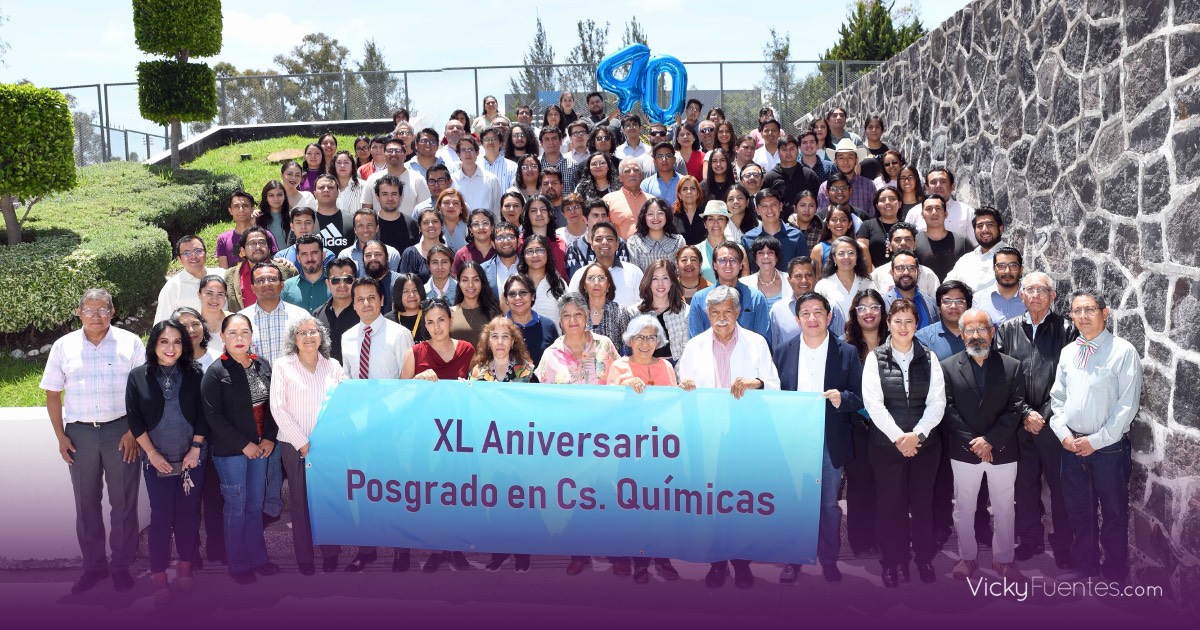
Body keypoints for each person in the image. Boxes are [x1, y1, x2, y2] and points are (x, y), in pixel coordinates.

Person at [42, 289, 145, 595]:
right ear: (79, 312)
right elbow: (52, 394)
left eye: (103, 310)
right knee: (86, 504)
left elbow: (143, 391)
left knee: (123, 503)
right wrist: (61, 437)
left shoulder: (131, 343)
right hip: (80, 435)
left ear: (113, 312)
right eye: (89, 310)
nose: (96, 316)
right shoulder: (64, 346)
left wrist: (133, 432)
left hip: (122, 433)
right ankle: (94, 567)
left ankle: (121, 567)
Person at [1050, 290, 1143, 584]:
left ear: (1106, 312)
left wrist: (1097, 441)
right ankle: (1085, 566)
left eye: (1090, 309)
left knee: (1114, 513)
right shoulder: (1069, 352)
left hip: (1108, 450)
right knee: (1080, 512)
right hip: (1071, 446)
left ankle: (1115, 571)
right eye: (1077, 311)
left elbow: (1127, 405)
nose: (1083, 316)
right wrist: (1063, 434)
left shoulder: (1122, 351)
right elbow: (1058, 398)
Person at [773, 292, 864, 585]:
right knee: (795, 502)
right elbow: (774, 398)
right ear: (798, 319)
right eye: (806, 313)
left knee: (828, 504)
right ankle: (793, 558)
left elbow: (860, 397)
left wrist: (843, 398)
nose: (812, 318)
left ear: (829, 316)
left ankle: (829, 559)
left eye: (818, 312)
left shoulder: (847, 352)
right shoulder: (783, 351)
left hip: (830, 437)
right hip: (794, 439)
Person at [861, 299, 947, 587]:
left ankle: (923, 559)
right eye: (897, 321)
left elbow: (937, 403)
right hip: (887, 447)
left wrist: (917, 436)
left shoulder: (930, 358)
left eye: (908, 321)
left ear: (916, 324)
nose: (903, 327)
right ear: (888, 323)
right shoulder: (875, 359)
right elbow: (874, 405)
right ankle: (892, 562)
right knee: (890, 506)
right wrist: (900, 438)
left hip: (925, 447)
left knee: (923, 505)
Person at [940, 309, 1028, 582]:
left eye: (981, 329)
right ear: (961, 334)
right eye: (969, 330)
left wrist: (990, 440)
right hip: (964, 451)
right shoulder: (947, 367)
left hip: (1002, 449)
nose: (975, 335)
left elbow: (1016, 408)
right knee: (964, 507)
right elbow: (947, 409)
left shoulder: (1012, 366)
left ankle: (1004, 560)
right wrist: (974, 442)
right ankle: (968, 558)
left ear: (992, 333)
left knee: (1005, 507)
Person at [996, 273, 1076, 567]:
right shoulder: (1006, 330)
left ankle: (1064, 545)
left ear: (1053, 295)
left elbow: (1070, 380)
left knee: (1061, 486)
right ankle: (1030, 540)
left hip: (1055, 424)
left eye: (1043, 290)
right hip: (1019, 424)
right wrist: (1024, 412)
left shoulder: (1067, 331)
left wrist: (1043, 415)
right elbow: (1001, 377)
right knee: (1024, 485)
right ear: (1021, 296)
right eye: (1030, 289)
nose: (1036, 295)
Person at [338, 277, 415, 572]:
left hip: (393, 425)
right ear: (353, 303)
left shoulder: (399, 334)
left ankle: (401, 550)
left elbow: (408, 382)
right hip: (360, 426)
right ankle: (366, 549)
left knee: (395, 488)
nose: (366, 304)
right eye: (360, 299)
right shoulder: (347, 337)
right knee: (363, 488)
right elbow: (345, 378)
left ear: (382, 301)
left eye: (371, 297)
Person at [200, 313, 279, 585]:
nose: (239, 338)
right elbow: (213, 416)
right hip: (232, 452)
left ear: (251, 335)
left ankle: (259, 559)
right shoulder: (216, 372)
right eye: (232, 333)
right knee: (236, 506)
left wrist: (269, 437)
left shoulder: (261, 365)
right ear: (222, 336)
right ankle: (239, 564)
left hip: (261, 449)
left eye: (244, 332)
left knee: (255, 506)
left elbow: (272, 406)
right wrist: (243, 444)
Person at [605, 314, 683, 585]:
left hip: (662, 450)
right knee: (634, 508)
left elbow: (674, 406)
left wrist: (686, 391)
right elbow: (607, 408)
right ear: (630, 340)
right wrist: (623, 388)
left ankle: (662, 558)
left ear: (659, 341)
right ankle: (639, 562)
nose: (646, 342)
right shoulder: (618, 367)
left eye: (651, 337)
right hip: (629, 451)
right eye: (640, 336)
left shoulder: (666, 367)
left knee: (662, 506)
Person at [270, 316, 345, 575]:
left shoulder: (333, 366)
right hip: (294, 445)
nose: (308, 336)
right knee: (300, 504)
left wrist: (326, 443)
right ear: (294, 339)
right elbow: (278, 408)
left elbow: (343, 405)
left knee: (327, 501)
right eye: (302, 332)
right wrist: (302, 443)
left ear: (321, 336)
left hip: (327, 448)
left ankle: (331, 552)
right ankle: (305, 558)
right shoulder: (283, 366)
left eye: (313, 331)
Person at [237, 262, 308, 527]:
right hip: (255, 398)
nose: (266, 284)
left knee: (285, 451)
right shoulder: (242, 320)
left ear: (281, 284)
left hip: (293, 396)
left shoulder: (300, 316)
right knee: (267, 451)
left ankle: (283, 505)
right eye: (260, 280)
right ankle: (264, 505)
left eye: (272, 279)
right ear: (252, 286)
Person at [841, 289, 888, 558]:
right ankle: (860, 540)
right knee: (859, 486)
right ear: (854, 313)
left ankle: (885, 537)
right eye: (862, 307)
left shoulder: (897, 341)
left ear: (883, 312)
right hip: (856, 425)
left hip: (890, 427)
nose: (868, 312)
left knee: (887, 486)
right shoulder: (844, 347)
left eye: (874, 307)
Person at [678, 285, 780, 394]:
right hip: (707, 409)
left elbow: (774, 386)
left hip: (746, 409)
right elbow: (683, 387)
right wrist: (685, 386)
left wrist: (755, 383)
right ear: (708, 314)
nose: (721, 318)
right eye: (715, 312)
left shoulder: (757, 343)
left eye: (727, 312)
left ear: (737, 312)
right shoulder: (693, 346)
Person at [688, 241, 771, 340]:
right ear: (714, 265)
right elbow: (695, 341)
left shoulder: (756, 298)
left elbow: (764, 340)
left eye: (733, 260)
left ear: (741, 265)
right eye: (722, 260)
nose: (728, 265)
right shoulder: (699, 298)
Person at [770, 256, 845, 352]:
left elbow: (842, 344)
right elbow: (775, 348)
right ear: (789, 280)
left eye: (809, 275)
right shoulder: (778, 310)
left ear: (816, 277)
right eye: (798, 276)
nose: (804, 280)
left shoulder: (832, 307)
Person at [568, 222, 644, 308]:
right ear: (592, 245)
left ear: (617, 244)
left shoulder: (634, 272)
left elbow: (643, 305)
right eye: (599, 239)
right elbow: (572, 307)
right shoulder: (580, 274)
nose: (604, 242)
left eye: (610, 239)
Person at [628, 259, 690, 362]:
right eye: (655, 279)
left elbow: (688, 351)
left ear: (672, 282)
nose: (660, 284)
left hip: (678, 368)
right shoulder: (634, 312)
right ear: (648, 282)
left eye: (665, 278)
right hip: (642, 367)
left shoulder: (686, 312)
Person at [903, 168, 977, 245]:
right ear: (927, 188)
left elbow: (975, 244)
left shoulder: (967, 212)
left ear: (953, 186)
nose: (938, 185)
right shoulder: (914, 212)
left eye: (943, 181)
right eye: (933, 182)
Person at [155, 235, 220, 323]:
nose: (193, 256)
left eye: (198, 251)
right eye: (186, 253)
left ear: (206, 253)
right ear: (179, 259)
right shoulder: (172, 287)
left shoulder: (222, 275)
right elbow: (162, 322)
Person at [361, 137, 431, 216]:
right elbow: (366, 211)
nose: (394, 154)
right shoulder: (372, 179)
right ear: (384, 154)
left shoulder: (418, 179)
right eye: (390, 151)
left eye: (398, 151)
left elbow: (426, 210)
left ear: (405, 155)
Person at [870, 223, 940, 298]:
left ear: (915, 245)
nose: (903, 243)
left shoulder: (928, 275)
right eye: (897, 240)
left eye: (908, 239)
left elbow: (936, 306)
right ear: (889, 246)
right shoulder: (877, 274)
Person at [815, 236, 874, 324]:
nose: (846, 257)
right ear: (834, 258)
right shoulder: (823, 285)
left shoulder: (868, 283)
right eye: (841, 253)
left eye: (851, 253)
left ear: (857, 256)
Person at [762, 134, 821, 222]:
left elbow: (817, 203)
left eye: (792, 149)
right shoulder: (769, 178)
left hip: (807, 225)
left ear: (798, 150)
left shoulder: (810, 175)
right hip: (778, 226)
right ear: (778, 152)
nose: (788, 153)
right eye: (784, 149)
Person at [504, 274, 559, 365]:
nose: (518, 297)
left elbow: (557, 362)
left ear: (532, 296)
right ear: (506, 299)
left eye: (523, 292)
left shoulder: (548, 326)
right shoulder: (498, 329)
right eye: (512, 294)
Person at [313, 258, 360, 364]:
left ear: (355, 281)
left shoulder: (364, 314)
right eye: (335, 280)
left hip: (357, 378)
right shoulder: (317, 315)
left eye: (347, 280)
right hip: (326, 377)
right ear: (327, 283)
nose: (342, 285)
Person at [915, 194, 972, 281]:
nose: (934, 212)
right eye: (929, 209)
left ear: (946, 214)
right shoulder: (914, 242)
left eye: (938, 208)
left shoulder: (962, 242)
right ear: (922, 214)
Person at [915, 280, 974, 362]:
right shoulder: (923, 337)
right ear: (939, 307)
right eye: (947, 301)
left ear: (968, 305)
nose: (953, 306)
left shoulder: (980, 334)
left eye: (959, 301)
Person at [572, 261, 631, 343]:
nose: (596, 283)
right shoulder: (576, 312)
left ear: (608, 285)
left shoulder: (620, 312)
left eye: (601, 278)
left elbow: (627, 346)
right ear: (584, 285)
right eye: (591, 278)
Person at [216, 192, 278, 269]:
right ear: (230, 210)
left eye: (245, 206)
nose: (241, 210)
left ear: (252, 209)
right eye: (236, 206)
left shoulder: (265, 235)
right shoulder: (223, 239)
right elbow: (223, 271)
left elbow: (275, 263)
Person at [881, 250, 939, 329]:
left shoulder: (930, 302)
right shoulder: (883, 304)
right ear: (892, 272)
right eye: (900, 268)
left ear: (918, 272)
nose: (906, 272)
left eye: (911, 268)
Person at [817, 140, 877, 213]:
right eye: (841, 158)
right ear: (835, 161)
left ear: (856, 160)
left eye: (850, 157)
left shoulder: (868, 185)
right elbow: (822, 217)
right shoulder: (825, 187)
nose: (845, 162)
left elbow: (873, 217)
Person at [626, 197, 685, 271]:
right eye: (650, 214)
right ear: (644, 217)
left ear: (666, 216)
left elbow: (680, 271)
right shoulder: (634, 242)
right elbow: (635, 273)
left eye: (660, 213)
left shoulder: (678, 241)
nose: (655, 217)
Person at [450, 261, 503, 343]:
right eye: (465, 280)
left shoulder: (493, 312)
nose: (470, 285)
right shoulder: (450, 313)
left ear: (482, 283)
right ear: (459, 283)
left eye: (475, 280)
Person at [339, 209, 402, 276]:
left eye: (370, 225)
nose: (365, 230)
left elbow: (395, 284)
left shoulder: (392, 254)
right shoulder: (345, 255)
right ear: (355, 230)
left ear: (377, 228)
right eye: (360, 226)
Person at [452, 136, 503, 219]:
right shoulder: (453, 180)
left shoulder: (491, 179)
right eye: (463, 150)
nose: (467, 153)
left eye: (471, 149)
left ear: (477, 152)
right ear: (458, 154)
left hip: (486, 227)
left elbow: (497, 209)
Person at [976, 246, 1028, 326]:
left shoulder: (1031, 298)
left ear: (1021, 269)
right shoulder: (978, 300)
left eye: (1013, 265)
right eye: (1001, 266)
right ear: (994, 269)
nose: (1007, 271)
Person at [603, 158, 652, 240]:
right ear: (620, 177)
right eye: (627, 171)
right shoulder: (608, 200)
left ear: (641, 175)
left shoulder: (651, 200)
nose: (632, 173)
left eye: (636, 170)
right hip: (620, 250)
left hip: (649, 249)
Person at [274, 207, 336, 272]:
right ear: (292, 227)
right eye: (298, 223)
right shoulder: (281, 256)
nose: (303, 227)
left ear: (314, 226)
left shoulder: (327, 255)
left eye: (308, 222)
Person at [282, 234, 332, 313]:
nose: (310, 258)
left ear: (323, 255)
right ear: (298, 258)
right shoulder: (287, 286)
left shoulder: (336, 284)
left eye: (314, 253)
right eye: (304, 254)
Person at [856, 187, 903, 270]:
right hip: (873, 276)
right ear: (877, 206)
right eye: (882, 200)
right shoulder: (867, 225)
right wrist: (874, 274)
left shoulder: (906, 227)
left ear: (899, 204)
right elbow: (860, 250)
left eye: (892, 199)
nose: (887, 202)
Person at [742, 235, 792, 308]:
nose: (766, 256)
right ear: (755, 258)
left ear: (777, 257)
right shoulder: (744, 284)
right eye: (760, 253)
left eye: (770, 252)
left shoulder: (790, 280)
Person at [809, 205, 855, 277]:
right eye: (834, 219)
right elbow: (815, 279)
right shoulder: (819, 249)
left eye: (843, 219)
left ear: (849, 224)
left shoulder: (859, 247)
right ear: (828, 225)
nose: (838, 223)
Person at [386, 273, 432, 342]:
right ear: (398, 294)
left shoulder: (430, 317)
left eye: (415, 290)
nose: (412, 295)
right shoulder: (387, 321)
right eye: (406, 291)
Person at [453, 208, 497, 275]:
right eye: (476, 224)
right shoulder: (461, 254)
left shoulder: (500, 251)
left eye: (485, 223)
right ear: (470, 229)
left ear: (492, 227)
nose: (481, 227)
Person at [478, 126, 518, 191]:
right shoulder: (476, 165)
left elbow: (514, 190)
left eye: (494, 139)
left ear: (501, 143)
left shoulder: (512, 166)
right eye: (486, 139)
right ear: (482, 143)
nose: (490, 142)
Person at [199, 276, 231, 355]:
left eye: (220, 294)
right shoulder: (191, 323)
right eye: (209, 293)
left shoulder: (234, 321)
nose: (214, 299)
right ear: (199, 294)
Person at [672, 175, 708, 246]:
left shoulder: (707, 214)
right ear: (679, 195)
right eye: (684, 189)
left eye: (692, 188)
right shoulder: (672, 217)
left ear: (698, 193)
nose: (689, 191)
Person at [256, 180, 291, 247]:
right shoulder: (259, 218)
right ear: (266, 198)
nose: (276, 199)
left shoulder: (292, 217)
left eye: (279, 195)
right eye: (271, 195)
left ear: (284, 196)